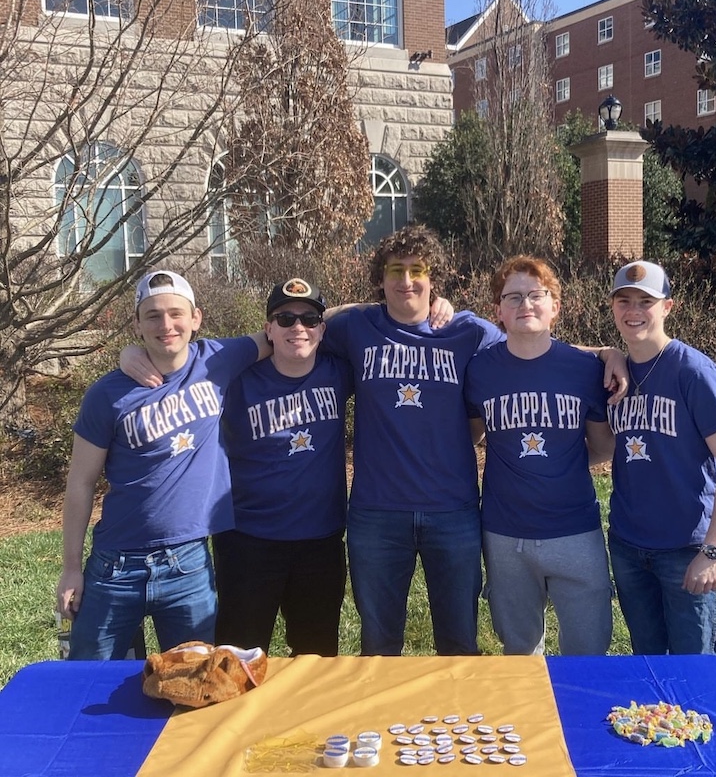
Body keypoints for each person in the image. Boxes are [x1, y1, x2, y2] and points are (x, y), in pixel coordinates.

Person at [320, 224, 627, 656]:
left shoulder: (467, 331)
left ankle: (461, 723)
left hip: (454, 511)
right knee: (379, 643)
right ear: (380, 278)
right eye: (394, 271)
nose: (406, 280)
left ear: (434, 277)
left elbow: (533, 341)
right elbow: (310, 323)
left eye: (416, 270)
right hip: (376, 512)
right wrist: (367, 304)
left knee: (459, 642)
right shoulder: (357, 327)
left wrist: (606, 354)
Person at [55, 270, 270, 659]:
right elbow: (80, 484)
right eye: (152, 315)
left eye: (176, 313)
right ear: (136, 324)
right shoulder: (107, 394)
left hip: (188, 565)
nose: (166, 324)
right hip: (114, 569)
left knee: (193, 684)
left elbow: (285, 333)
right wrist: (71, 568)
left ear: (196, 319)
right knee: (90, 683)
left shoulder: (218, 359)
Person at [465, 256, 614, 656]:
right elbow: (471, 433)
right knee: (520, 653)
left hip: (575, 530)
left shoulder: (584, 369)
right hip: (504, 532)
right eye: (512, 297)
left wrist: (559, 467)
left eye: (536, 295)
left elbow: (602, 445)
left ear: (555, 306)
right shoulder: (479, 370)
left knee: (588, 651)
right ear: (498, 311)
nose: (525, 304)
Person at [605, 260, 716, 655]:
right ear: (613, 307)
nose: (634, 311)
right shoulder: (614, 373)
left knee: (695, 668)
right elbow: (552, 346)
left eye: (646, 302)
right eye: (624, 301)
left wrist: (713, 550)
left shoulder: (695, 373)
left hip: (688, 550)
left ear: (668, 307)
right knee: (648, 664)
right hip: (629, 547)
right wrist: (607, 352)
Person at [213, 278, 353, 656]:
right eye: (285, 318)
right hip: (248, 542)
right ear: (267, 329)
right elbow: (180, 361)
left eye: (309, 319)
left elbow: (371, 320)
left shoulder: (338, 372)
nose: (298, 328)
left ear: (323, 329)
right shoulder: (236, 380)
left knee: (316, 657)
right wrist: (134, 353)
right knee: (235, 657)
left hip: (320, 543)